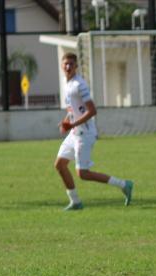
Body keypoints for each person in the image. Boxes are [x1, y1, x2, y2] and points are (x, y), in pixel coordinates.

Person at [55, 53, 134, 211]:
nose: (68, 67)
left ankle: (124, 185)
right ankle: (75, 202)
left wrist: (72, 125)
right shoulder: (67, 83)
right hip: (75, 132)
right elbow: (73, 109)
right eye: (66, 64)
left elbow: (92, 111)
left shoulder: (79, 85)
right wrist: (66, 122)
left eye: (71, 64)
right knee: (60, 164)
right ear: (62, 66)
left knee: (83, 173)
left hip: (85, 133)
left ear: (76, 66)